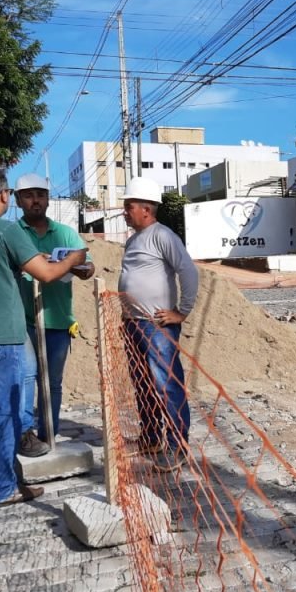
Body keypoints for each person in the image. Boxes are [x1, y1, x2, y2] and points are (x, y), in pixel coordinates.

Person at [0, 165, 87, 506]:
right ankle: (1, 488)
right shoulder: (6, 231)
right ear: (5, 195)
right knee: (3, 412)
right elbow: (47, 273)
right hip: (0, 335)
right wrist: (75, 258)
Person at [118, 176, 198, 472]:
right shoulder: (133, 240)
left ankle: (178, 446)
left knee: (166, 385)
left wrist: (182, 312)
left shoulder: (163, 235)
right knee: (143, 384)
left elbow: (188, 271)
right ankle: (151, 437)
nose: (125, 212)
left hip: (157, 325)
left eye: (129, 206)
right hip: (134, 323)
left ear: (146, 209)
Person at [13, 173, 95, 456]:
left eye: (40, 194)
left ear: (48, 199)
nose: (35, 200)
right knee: (26, 376)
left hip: (58, 320)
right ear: (18, 200)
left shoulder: (66, 233)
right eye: (28, 195)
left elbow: (88, 267)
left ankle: (49, 431)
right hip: (22, 321)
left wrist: (74, 265)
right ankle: (25, 433)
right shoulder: (12, 233)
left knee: (53, 383)